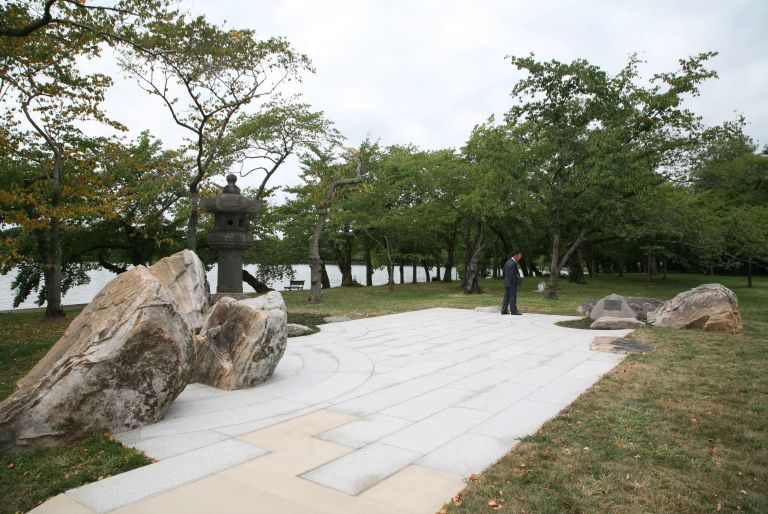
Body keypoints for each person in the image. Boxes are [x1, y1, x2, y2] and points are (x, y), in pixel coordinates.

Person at [501, 251, 522, 315]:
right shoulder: (513, 263)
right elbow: (512, 274)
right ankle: (514, 311)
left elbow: (504, 269)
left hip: (507, 282)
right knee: (512, 296)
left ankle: (504, 310)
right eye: (519, 256)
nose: (520, 258)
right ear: (515, 256)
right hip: (511, 282)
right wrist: (516, 281)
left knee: (506, 297)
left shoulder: (508, 262)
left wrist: (506, 278)